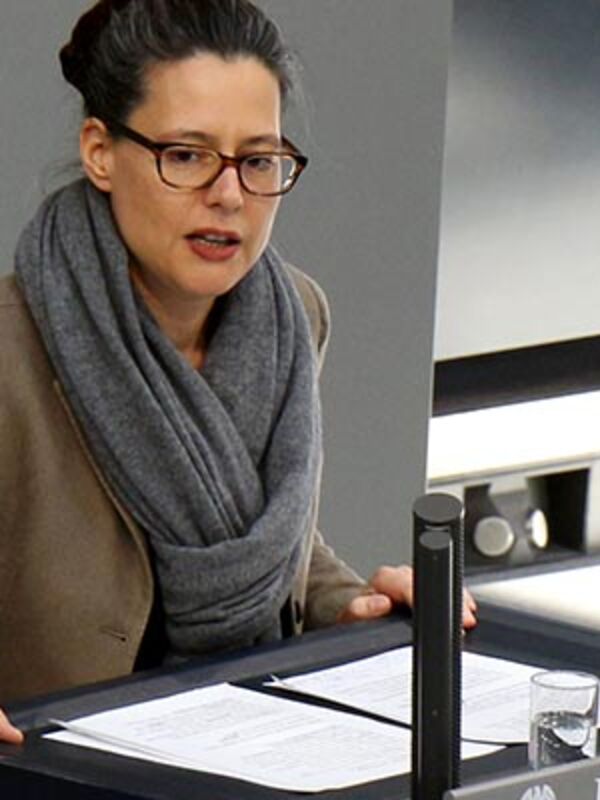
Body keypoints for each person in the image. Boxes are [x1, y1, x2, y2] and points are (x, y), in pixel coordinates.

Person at [0, 0, 474, 746]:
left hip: (245, 745)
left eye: (257, 161)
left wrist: (353, 609)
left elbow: (261, 537)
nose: (229, 195)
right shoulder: (9, 351)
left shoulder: (292, 320)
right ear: (100, 152)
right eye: (186, 156)